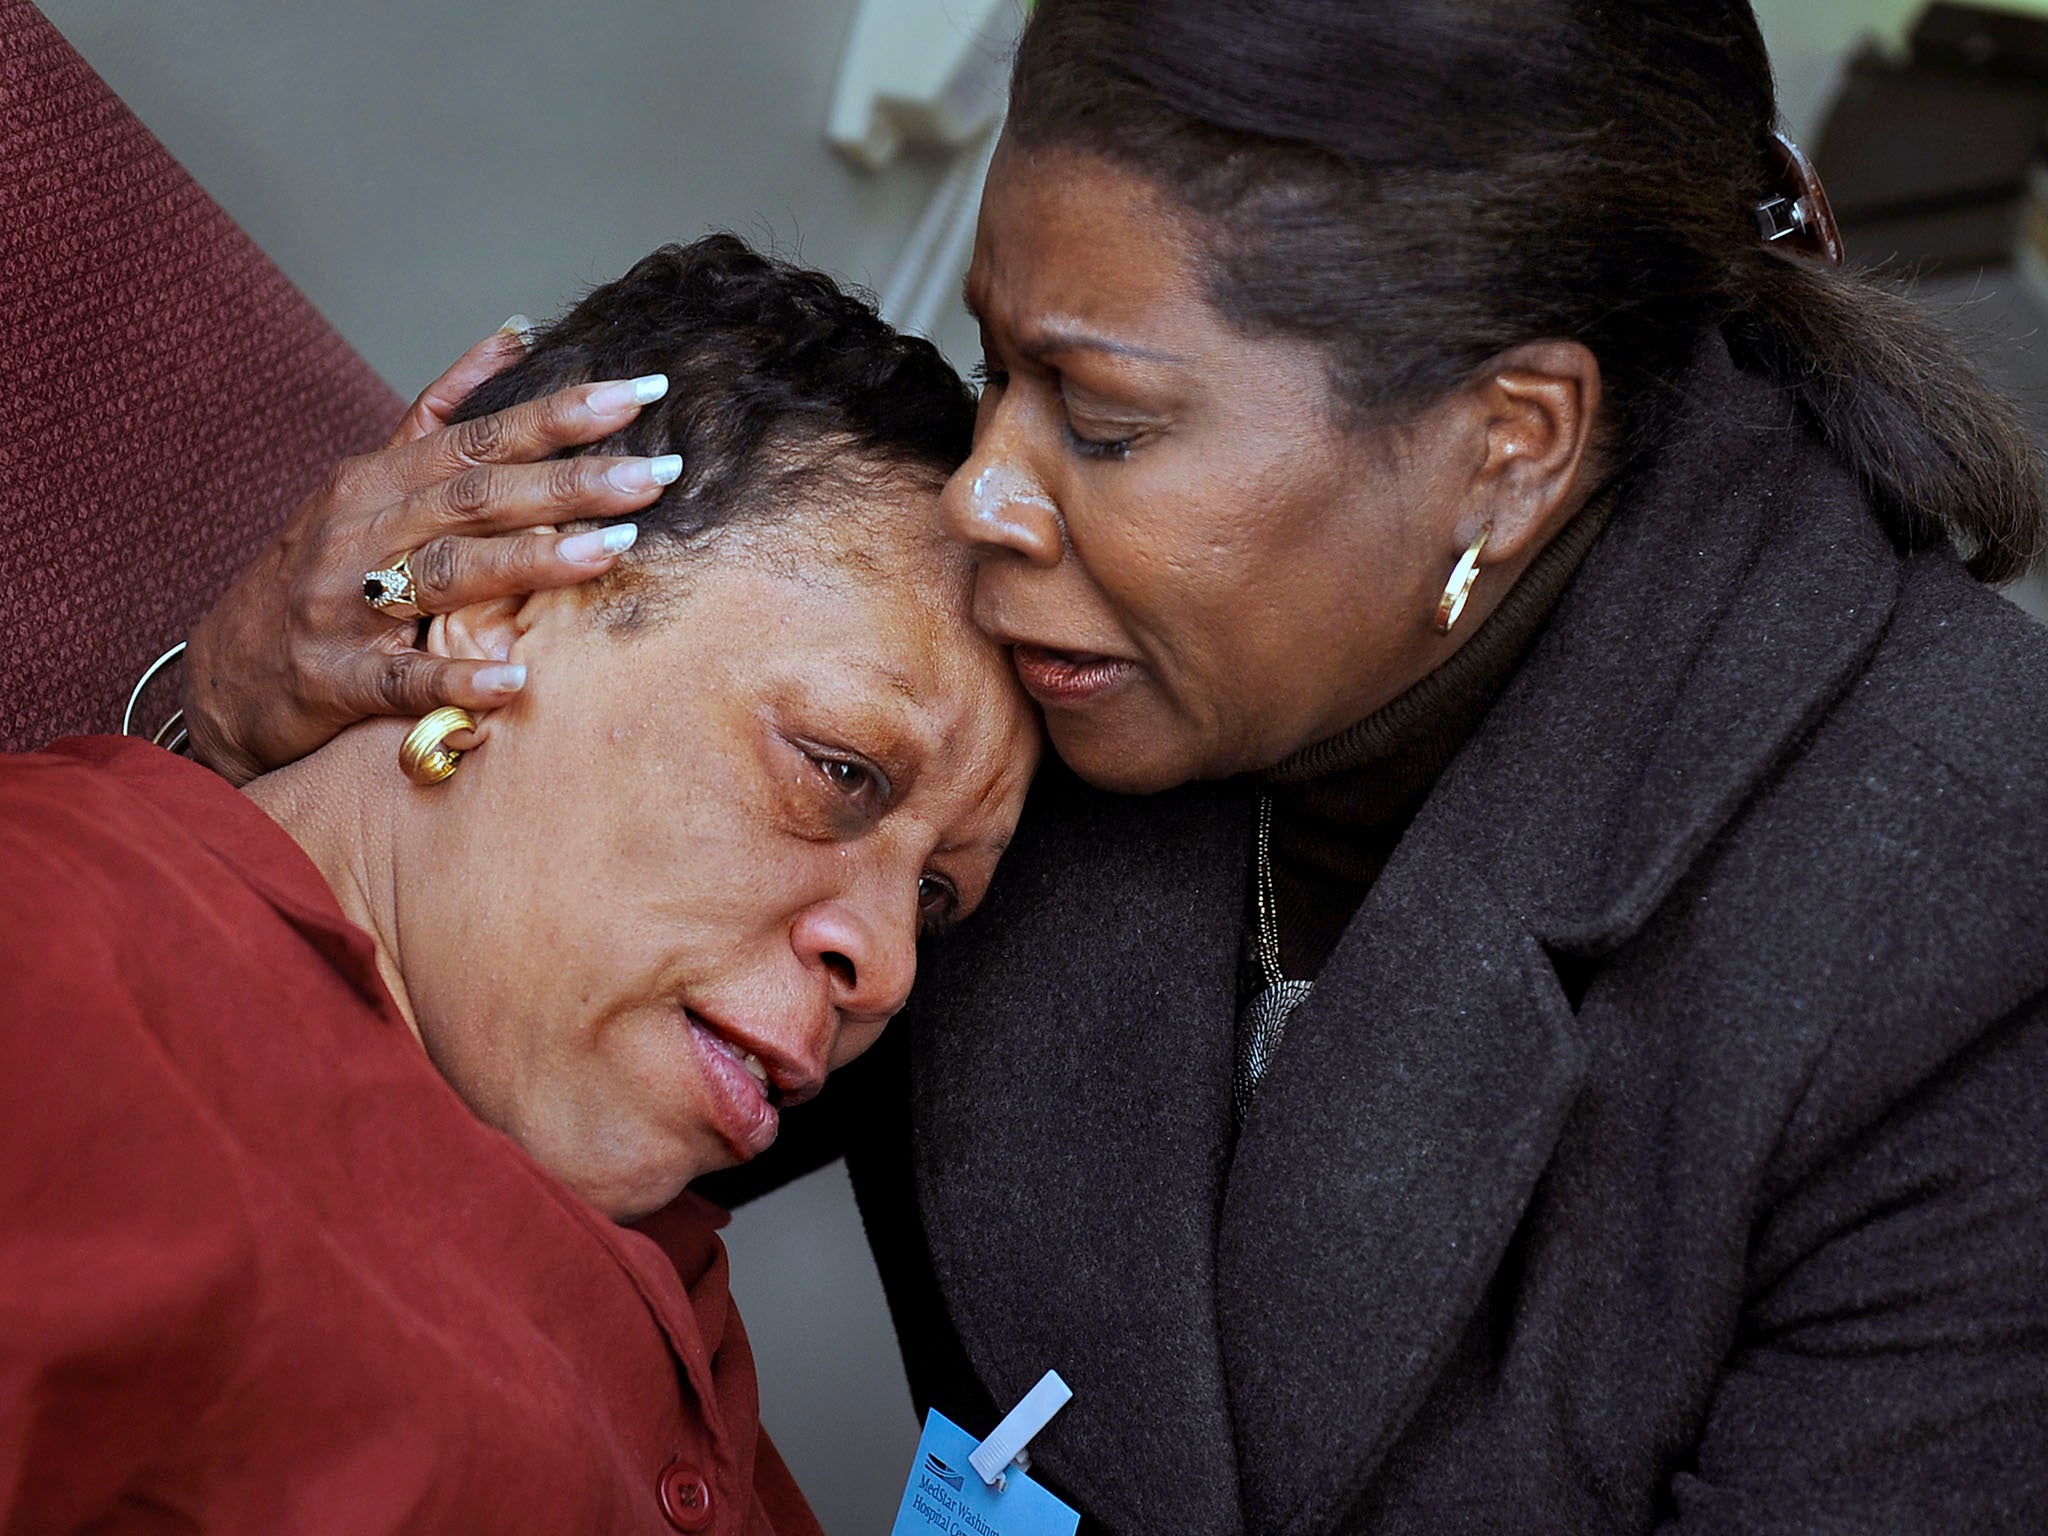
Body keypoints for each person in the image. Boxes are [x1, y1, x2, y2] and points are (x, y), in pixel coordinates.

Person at [168, 2, 2048, 1532]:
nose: (988, 491)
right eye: (999, 371)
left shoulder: (1965, 920)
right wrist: (244, 731)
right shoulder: (1031, 663)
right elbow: (464, 1032)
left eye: (1108, 420)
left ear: (1509, 444)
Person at [0, 236, 1036, 1535]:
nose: (886, 968)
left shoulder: (667, 1288)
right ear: (498, 604)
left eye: (937, 900)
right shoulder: (55, 981)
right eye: (839, 772)